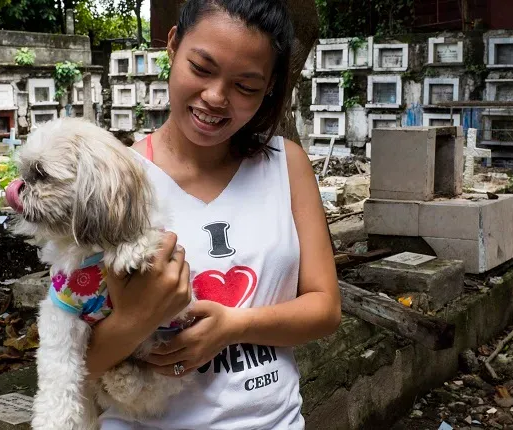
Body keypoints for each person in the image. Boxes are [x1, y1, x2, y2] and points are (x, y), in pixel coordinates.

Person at [84, 0, 341, 428]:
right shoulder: (116, 182)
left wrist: (232, 326)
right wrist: (136, 319)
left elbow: (325, 308)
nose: (216, 98)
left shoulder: (286, 165)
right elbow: (79, 361)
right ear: (172, 45)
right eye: (202, 69)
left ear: (271, 87)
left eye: (245, 87)